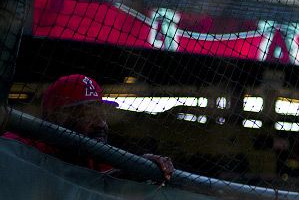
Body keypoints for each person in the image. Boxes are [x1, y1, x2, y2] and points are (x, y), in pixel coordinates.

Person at [3, 74, 174, 180]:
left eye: (102, 113)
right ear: (57, 117)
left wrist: (140, 167)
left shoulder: (94, 158)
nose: (100, 123)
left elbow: (101, 183)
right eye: (87, 114)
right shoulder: (16, 148)